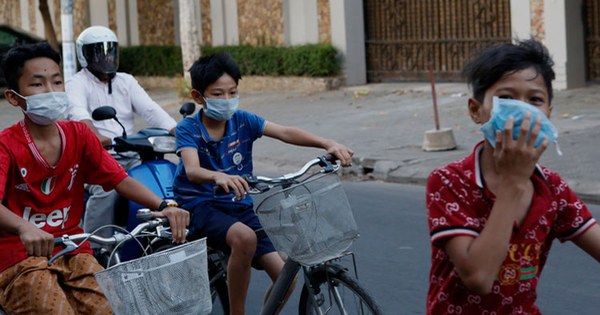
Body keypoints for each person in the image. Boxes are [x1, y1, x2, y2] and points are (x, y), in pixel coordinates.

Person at [0, 42, 189, 315]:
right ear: (14, 97)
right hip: (19, 255)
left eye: (57, 81)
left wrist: (166, 206)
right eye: (38, 85)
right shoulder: (6, 145)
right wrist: (24, 228)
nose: (51, 92)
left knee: (111, 307)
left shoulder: (79, 134)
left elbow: (119, 179)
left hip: (73, 248)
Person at [425, 39, 600, 314]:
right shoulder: (449, 181)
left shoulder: (551, 187)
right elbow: (478, 278)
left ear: (548, 113)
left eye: (535, 100)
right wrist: (514, 182)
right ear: (475, 110)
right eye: (505, 99)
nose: (522, 110)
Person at [174, 52, 354, 315]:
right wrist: (217, 175)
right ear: (198, 97)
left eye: (232, 92)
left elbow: (284, 132)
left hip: (238, 204)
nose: (227, 100)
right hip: (201, 204)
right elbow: (191, 170)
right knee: (244, 238)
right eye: (217, 94)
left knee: (286, 278)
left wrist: (328, 143)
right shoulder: (188, 128)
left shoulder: (243, 120)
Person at [64, 26, 178, 247]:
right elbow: (78, 113)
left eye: (110, 51)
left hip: (129, 151)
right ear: (84, 55)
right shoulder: (77, 82)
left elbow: (151, 110)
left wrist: (180, 132)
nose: (105, 57)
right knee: (105, 191)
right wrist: (94, 136)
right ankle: (94, 248)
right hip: (96, 156)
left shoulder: (126, 81)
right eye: (98, 52)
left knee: (160, 179)